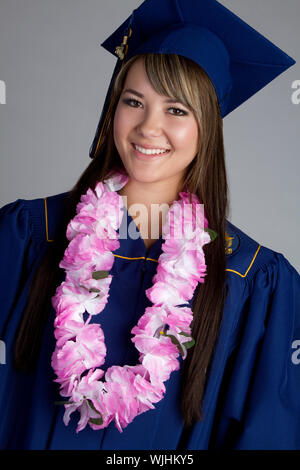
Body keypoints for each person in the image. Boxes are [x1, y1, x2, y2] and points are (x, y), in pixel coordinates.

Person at [0, 0, 299, 450]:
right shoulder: (29, 233)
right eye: (133, 101)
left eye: (176, 110)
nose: (148, 127)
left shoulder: (251, 276)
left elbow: (266, 435)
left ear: (209, 127)